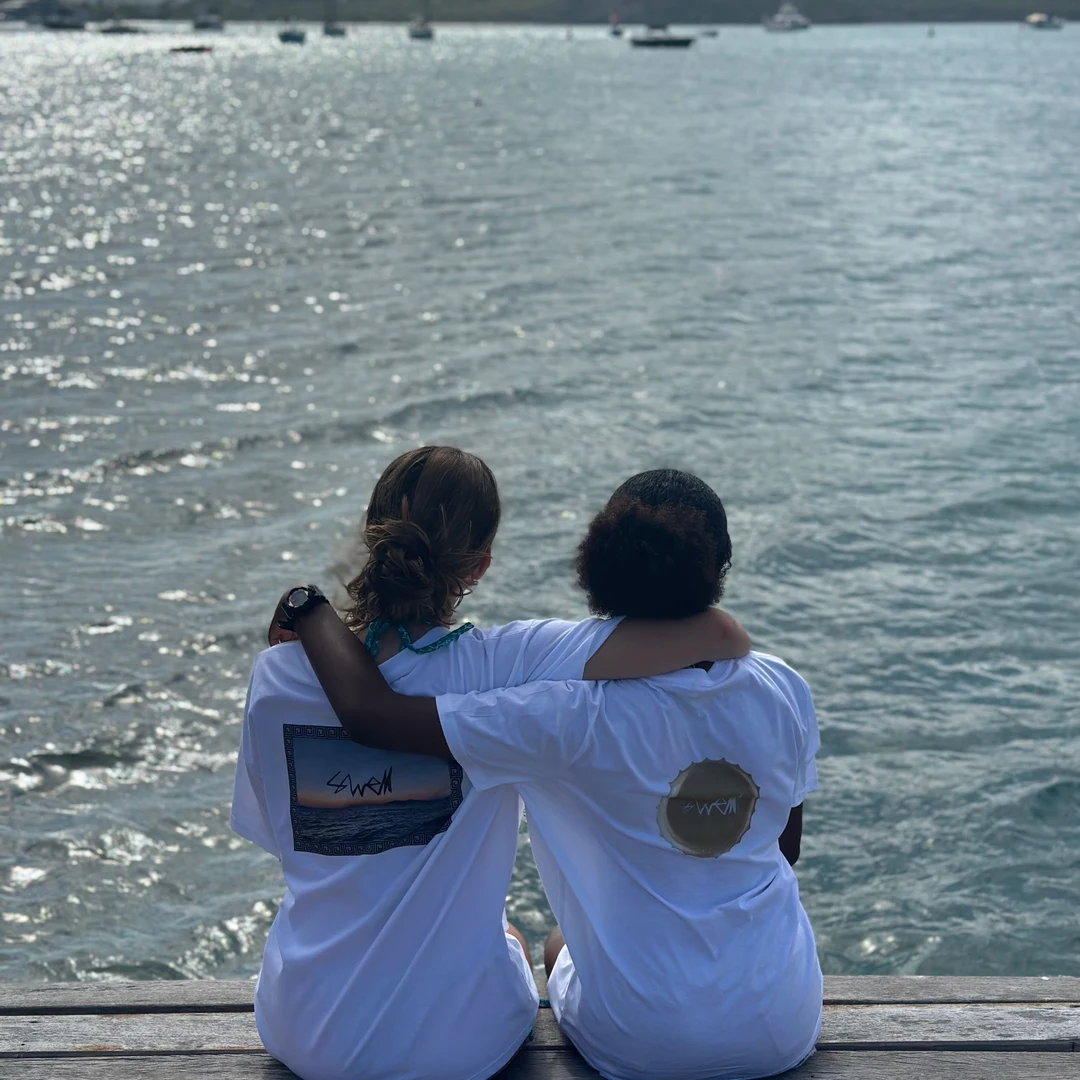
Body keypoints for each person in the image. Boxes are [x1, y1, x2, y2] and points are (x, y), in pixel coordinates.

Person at [231, 448, 753, 1080]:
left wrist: (310, 613)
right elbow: (719, 635)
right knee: (515, 938)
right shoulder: (505, 666)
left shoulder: (276, 677)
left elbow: (278, 837)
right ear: (479, 564)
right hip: (456, 1049)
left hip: (303, 1030)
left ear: (372, 535)